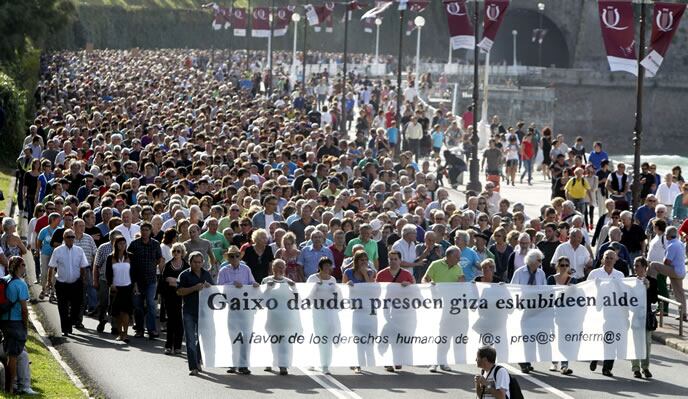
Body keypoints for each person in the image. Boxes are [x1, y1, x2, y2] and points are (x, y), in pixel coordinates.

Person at [217, 245, 259, 375]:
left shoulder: (246, 269)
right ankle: (233, 363)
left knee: (246, 337)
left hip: (246, 308)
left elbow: (252, 282)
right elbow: (219, 288)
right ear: (228, 258)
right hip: (232, 308)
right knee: (233, 336)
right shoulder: (223, 271)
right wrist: (232, 284)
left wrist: (254, 284)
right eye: (231, 256)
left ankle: (244, 365)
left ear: (239, 257)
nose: (234, 258)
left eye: (236, 255)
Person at [422, 246, 465, 373]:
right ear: (449, 256)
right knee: (436, 334)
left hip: (450, 308)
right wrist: (429, 285)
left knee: (446, 334)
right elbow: (425, 279)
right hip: (436, 306)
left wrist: (463, 283)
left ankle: (443, 361)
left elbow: (461, 285)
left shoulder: (458, 268)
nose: (459, 259)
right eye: (457, 257)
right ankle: (433, 361)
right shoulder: (435, 264)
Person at [0, 256, 36, 395]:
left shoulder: (5, 280)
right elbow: (24, 309)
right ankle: (11, 388)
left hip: (3, 321)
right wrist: (25, 325)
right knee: (13, 355)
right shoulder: (20, 284)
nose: (25, 267)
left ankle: (13, 385)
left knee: (13, 353)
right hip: (15, 322)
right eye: (23, 264)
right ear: (18, 267)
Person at [588, 250, 625, 377]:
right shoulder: (595, 273)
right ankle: (595, 356)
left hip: (613, 312)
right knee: (599, 337)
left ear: (615, 260)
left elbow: (623, 293)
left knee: (611, 339)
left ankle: (607, 367)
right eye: (607, 258)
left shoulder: (619, 275)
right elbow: (586, 290)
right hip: (598, 311)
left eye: (611, 258)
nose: (609, 260)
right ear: (603, 259)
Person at [177, 251, 214, 376]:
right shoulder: (184, 275)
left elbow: (214, 291)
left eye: (200, 262)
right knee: (190, 339)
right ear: (190, 262)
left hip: (203, 311)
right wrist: (194, 288)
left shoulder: (206, 274)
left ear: (203, 262)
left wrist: (209, 287)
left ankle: (198, 360)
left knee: (201, 339)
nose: (198, 264)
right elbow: (179, 291)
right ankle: (193, 366)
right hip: (189, 311)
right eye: (195, 262)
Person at [510, 249, 547, 374]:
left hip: (535, 309)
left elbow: (545, 290)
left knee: (532, 336)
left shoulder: (541, 274)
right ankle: (523, 361)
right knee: (524, 335)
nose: (541, 262)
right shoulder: (520, 273)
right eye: (539, 260)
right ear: (531, 261)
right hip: (522, 309)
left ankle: (528, 360)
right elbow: (513, 289)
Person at [48, 228, 89, 336]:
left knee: (76, 307)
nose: (71, 239)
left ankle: (70, 323)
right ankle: (65, 329)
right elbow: (51, 267)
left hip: (76, 283)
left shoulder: (79, 250)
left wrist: (83, 279)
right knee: (63, 307)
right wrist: (49, 282)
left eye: (72, 237)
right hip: (62, 284)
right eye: (68, 237)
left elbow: (83, 266)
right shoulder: (58, 250)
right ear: (64, 238)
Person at [128, 222, 164, 339]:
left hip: (151, 279)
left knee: (151, 305)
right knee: (138, 306)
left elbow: (159, 259)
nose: (144, 232)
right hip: (137, 280)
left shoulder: (155, 244)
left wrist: (153, 266)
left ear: (150, 231)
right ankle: (139, 329)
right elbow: (128, 259)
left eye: (147, 230)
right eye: (143, 230)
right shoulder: (134, 244)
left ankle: (151, 329)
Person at [648, 226, 687, 322]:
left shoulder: (672, 245)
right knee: (679, 293)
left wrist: (663, 260)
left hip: (675, 270)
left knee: (653, 265)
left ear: (668, 235)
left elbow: (667, 262)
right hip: (681, 271)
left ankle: (650, 282)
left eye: (665, 234)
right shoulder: (680, 243)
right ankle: (683, 314)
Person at [547, 256, 577, 375]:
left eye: (566, 265)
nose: (564, 267)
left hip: (567, 315)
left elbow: (577, 297)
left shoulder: (573, 280)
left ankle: (565, 365)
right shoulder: (551, 279)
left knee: (565, 339)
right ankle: (554, 362)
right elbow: (546, 294)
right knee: (554, 339)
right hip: (552, 313)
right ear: (557, 266)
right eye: (562, 265)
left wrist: (572, 290)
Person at [630, 257, 657, 379]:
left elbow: (654, 299)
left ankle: (645, 367)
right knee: (634, 342)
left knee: (646, 343)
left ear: (644, 268)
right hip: (633, 316)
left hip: (645, 316)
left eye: (638, 266)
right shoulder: (630, 280)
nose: (635, 268)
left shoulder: (652, 281)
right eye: (635, 266)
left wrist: (648, 288)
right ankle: (635, 368)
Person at [161, 243, 189, 355]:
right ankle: (168, 346)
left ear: (182, 253)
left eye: (178, 251)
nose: (176, 253)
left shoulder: (186, 266)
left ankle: (177, 347)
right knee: (171, 321)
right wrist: (177, 282)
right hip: (169, 297)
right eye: (174, 251)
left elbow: (185, 282)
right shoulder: (168, 265)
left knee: (179, 322)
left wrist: (175, 281)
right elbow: (166, 279)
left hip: (182, 297)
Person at [105, 236, 134, 343]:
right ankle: (120, 333)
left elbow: (134, 272)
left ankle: (126, 334)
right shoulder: (110, 257)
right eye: (120, 243)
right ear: (116, 245)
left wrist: (135, 285)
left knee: (125, 312)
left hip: (127, 287)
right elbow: (108, 273)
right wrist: (111, 284)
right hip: (116, 288)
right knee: (117, 313)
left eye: (124, 243)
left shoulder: (130, 256)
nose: (122, 245)